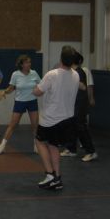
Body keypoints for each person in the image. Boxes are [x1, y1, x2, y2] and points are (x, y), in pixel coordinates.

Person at [32, 46, 79, 190]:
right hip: (67, 120)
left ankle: (49, 174)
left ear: (61, 59)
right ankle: (57, 178)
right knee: (53, 146)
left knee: (39, 141)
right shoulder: (76, 75)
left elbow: (38, 92)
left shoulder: (51, 74)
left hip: (50, 120)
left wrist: (34, 87)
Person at [0, 54, 41, 154]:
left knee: (35, 125)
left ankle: (36, 145)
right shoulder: (15, 74)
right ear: (22, 64)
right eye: (27, 62)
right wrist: (4, 92)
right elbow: (11, 88)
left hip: (32, 101)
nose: (29, 64)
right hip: (20, 102)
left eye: (30, 62)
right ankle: (2, 146)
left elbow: (41, 85)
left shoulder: (34, 73)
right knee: (12, 124)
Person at [60, 52, 97, 161]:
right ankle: (71, 149)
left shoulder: (79, 72)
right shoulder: (72, 72)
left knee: (81, 126)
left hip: (80, 103)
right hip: (73, 103)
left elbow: (83, 87)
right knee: (71, 125)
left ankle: (91, 151)